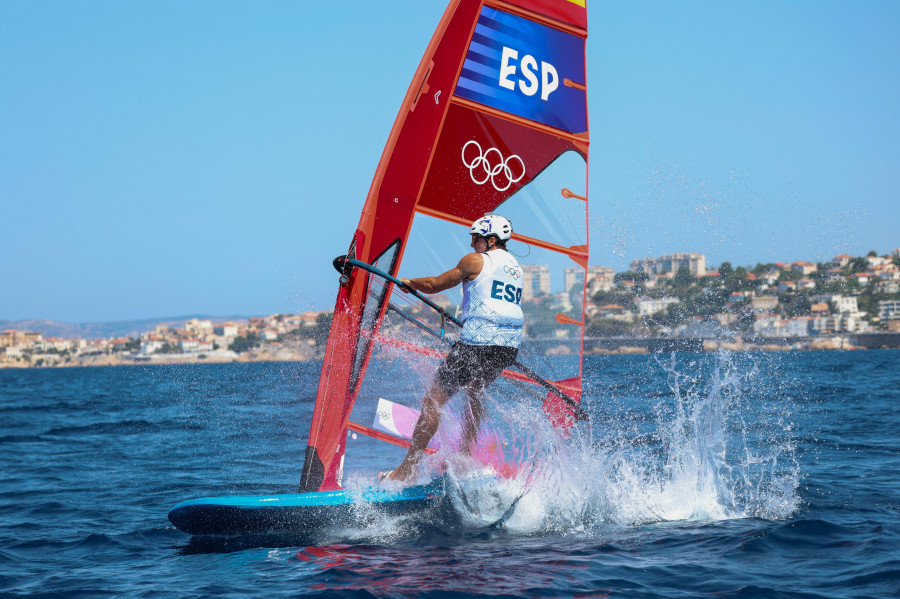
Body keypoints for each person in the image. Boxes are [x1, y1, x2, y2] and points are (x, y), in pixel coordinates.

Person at [384, 214, 524, 483]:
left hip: (477, 343)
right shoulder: (516, 268)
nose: (472, 243)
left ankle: (407, 470)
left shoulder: (475, 261)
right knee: (474, 390)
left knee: (433, 400)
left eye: (476, 238)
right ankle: (464, 456)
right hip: (507, 347)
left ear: (491, 240)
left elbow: (436, 284)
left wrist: (409, 282)